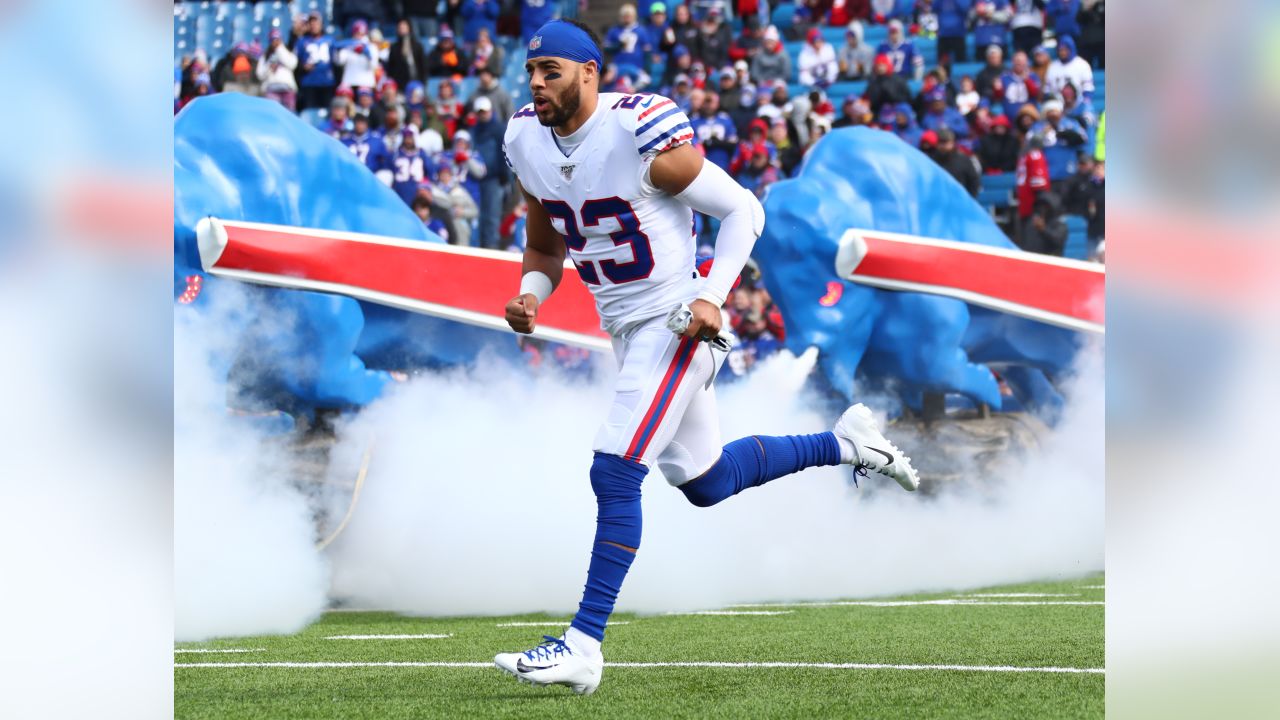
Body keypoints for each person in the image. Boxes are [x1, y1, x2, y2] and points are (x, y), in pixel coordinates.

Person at [494, 18, 919, 695]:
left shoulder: (639, 134)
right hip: (627, 330)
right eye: (532, 73)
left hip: (675, 322)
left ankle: (583, 645)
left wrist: (713, 297)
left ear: (590, 73)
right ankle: (846, 445)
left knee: (614, 469)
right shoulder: (526, 139)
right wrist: (530, 293)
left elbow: (743, 210)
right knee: (706, 481)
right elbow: (546, 247)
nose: (538, 84)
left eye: (552, 71)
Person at [468, 97, 509, 249]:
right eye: (480, 112)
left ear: (491, 111)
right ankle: (478, 248)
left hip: (494, 179)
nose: (483, 115)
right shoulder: (474, 131)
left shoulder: (499, 129)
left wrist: (504, 175)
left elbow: (504, 153)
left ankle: (491, 248)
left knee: (491, 216)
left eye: (485, 112)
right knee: (478, 216)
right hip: (476, 180)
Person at [296, 11, 336, 110]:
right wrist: (303, 67)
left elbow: (336, 61)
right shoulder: (302, 41)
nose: (314, 25)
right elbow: (296, 61)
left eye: (316, 22)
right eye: (311, 23)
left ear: (321, 24)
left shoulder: (330, 40)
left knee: (326, 111)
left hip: (327, 83)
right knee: (309, 111)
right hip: (309, 83)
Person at [690, 91, 739, 171]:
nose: (709, 105)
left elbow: (733, 141)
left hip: (723, 162)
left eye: (712, 102)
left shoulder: (725, 119)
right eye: (706, 101)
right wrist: (703, 143)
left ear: (717, 103)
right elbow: (692, 142)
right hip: (703, 164)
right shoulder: (694, 121)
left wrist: (719, 143)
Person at [604, 4, 652, 79]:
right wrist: (619, 45)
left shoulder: (641, 30)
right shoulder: (614, 30)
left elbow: (647, 51)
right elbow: (606, 48)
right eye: (624, 16)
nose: (626, 19)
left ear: (634, 16)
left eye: (629, 16)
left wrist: (647, 68)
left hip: (637, 67)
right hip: (618, 67)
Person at [391, 126, 437, 204]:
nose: (408, 141)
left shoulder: (422, 154)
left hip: (417, 192)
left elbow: (431, 174)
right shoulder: (395, 155)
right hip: (399, 190)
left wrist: (425, 185)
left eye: (410, 138)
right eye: (406, 138)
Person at [931, 128, 981, 196]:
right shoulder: (932, 160)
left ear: (952, 143)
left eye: (945, 142)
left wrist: (969, 199)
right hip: (939, 199)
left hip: (959, 199)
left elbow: (974, 181)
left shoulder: (963, 160)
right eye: (940, 142)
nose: (942, 146)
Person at [344, 113, 393, 181]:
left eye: (362, 123)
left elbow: (385, 160)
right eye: (358, 123)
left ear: (367, 124)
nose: (360, 126)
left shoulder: (376, 141)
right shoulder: (345, 141)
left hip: (370, 177)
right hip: (350, 176)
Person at [1018, 190, 1067, 256]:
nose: (1042, 209)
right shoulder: (1031, 222)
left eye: (1045, 207)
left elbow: (1058, 241)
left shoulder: (1059, 224)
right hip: (1030, 260)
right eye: (1040, 206)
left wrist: (1043, 229)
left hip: (1049, 261)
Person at [257, 30, 298, 109]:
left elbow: (292, 65)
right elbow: (260, 74)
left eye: (277, 39)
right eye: (273, 39)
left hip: (287, 89)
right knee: (273, 115)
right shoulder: (265, 56)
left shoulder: (288, 51)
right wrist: (269, 68)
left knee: (289, 115)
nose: (275, 42)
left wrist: (280, 49)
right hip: (271, 89)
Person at [335, 20, 379, 92]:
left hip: (366, 83)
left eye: (362, 34)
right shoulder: (348, 46)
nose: (359, 36)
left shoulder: (371, 47)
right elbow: (339, 62)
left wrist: (369, 56)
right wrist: (337, 51)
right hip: (350, 82)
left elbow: (374, 66)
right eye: (357, 33)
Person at [386, 19, 428, 91]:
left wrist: (423, 82)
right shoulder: (394, 47)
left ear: (409, 29)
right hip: (400, 84)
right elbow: (391, 68)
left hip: (416, 82)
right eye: (400, 28)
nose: (402, 30)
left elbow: (423, 65)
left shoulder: (417, 46)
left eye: (404, 27)